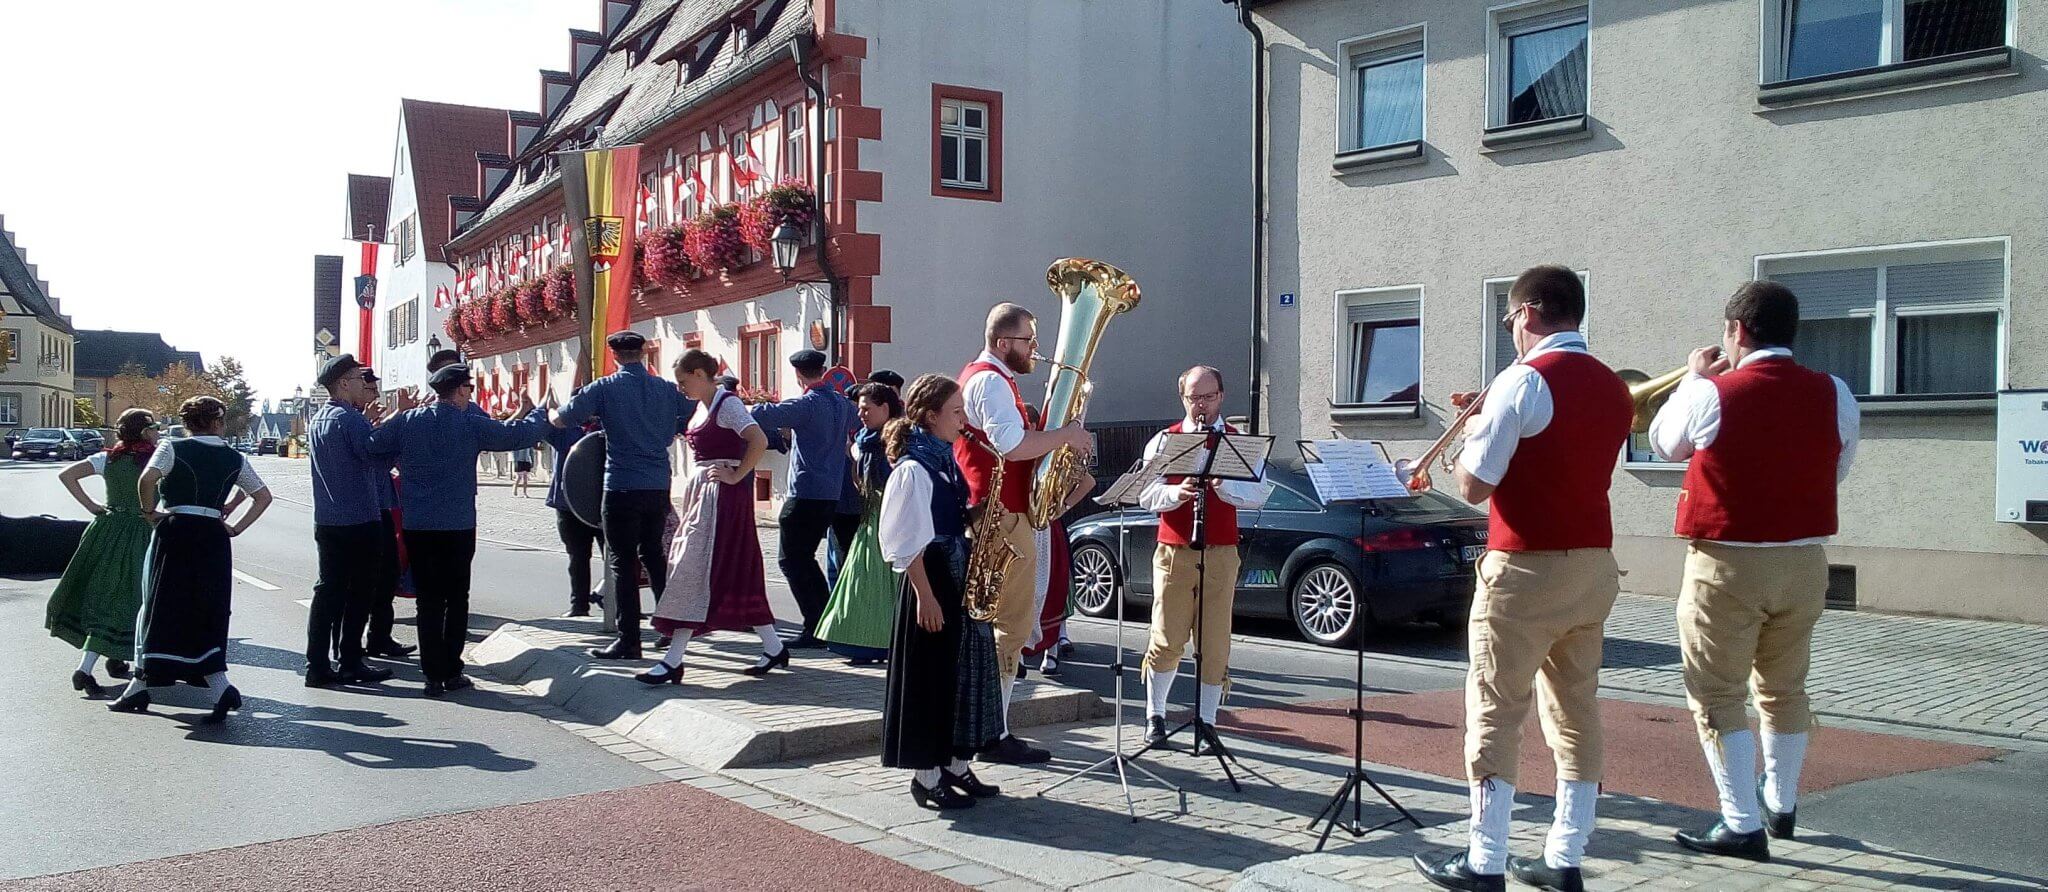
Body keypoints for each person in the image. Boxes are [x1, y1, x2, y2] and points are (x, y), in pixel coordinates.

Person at [1412, 266, 1632, 892]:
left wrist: (1478, 430)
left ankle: (1484, 860)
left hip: (1525, 567)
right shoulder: (1615, 387)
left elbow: (1475, 486)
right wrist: (1494, 419)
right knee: (1576, 710)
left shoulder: (1522, 380)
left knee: (1495, 709)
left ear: (1530, 312)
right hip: (1592, 564)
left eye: (1509, 318)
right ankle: (1565, 856)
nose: (1510, 330)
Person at [1650, 282, 1860, 862]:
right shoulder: (1835, 391)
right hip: (1803, 561)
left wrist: (1694, 379)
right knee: (1784, 688)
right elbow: (1835, 468)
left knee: (1717, 693)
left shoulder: (1713, 392)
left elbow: (1663, 444)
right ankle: (1782, 804)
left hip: (1726, 562)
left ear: (1738, 331)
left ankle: (1741, 823)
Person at [957, 303, 1093, 765]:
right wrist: (1066, 435)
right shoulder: (991, 381)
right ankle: (992, 731)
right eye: (1028, 341)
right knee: (1007, 628)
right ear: (1002, 343)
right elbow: (1012, 446)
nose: (1036, 349)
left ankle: (991, 727)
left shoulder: (992, 378)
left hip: (1001, 513)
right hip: (1001, 517)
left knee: (1003, 628)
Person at [368, 364, 548, 697]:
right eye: (470, 389)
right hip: (457, 525)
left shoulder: (410, 421)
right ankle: (451, 670)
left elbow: (372, 445)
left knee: (428, 601)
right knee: (456, 598)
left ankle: (432, 674)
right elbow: (516, 435)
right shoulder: (469, 423)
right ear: (462, 391)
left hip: (418, 525)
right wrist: (539, 411)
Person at [107, 397, 274, 722]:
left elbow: (147, 479)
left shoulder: (172, 448)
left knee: (158, 605)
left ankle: (144, 683)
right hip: (212, 536)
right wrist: (235, 528)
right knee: (206, 608)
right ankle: (213, 684)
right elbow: (263, 496)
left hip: (176, 530)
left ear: (188, 422)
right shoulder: (234, 457)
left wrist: (149, 512)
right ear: (217, 422)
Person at [879, 374, 1003, 809]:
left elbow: (946, 517)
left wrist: (981, 512)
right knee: (929, 679)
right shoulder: (914, 468)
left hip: (952, 571)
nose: (963, 420)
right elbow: (901, 540)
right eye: (956, 412)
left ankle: (954, 763)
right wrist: (925, 596)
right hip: (927, 577)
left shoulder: (944, 458)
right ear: (930, 417)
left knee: (955, 675)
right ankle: (925, 777)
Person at [1137, 366, 1270, 747]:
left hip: (1222, 551)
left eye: (1208, 397)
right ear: (1183, 399)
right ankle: (1155, 715)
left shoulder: (1238, 440)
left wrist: (1223, 486)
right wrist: (1176, 494)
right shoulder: (1166, 440)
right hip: (1175, 550)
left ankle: (1208, 721)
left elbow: (1258, 496)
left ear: (1222, 397)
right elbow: (1146, 495)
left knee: (1215, 641)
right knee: (1166, 635)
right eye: (1194, 398)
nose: (1202, 405)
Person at [551, 331, 696, 660]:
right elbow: (690, 416)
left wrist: (548, 414)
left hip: (621, 484)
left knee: (623, 562)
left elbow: (564, 418)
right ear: (644, 353)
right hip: (658, 484)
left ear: (615, 356)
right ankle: (668, 628)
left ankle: (629, 639)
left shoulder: (605, 387)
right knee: (655, 557)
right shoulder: (665, 388)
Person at [642, 349, 785, 681]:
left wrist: (737, 475)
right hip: (704, 496)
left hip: (722, 498)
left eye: (682, 382)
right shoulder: (702, 408)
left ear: (699, 374)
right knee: (727, 572)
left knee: (692, 568)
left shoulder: (728, 404)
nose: (680, 388)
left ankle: (674, 659)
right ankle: (775, 646)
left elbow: (758, 439)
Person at [749, 349, 861, 648]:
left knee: (791, 559)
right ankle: (823, 621)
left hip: (806, 491)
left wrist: (739, 402)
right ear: (822, 371)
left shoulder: (807, 404)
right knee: (805, 558)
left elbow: (763, 416)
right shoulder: (841, 403)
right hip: (831, 492)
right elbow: (858, 422)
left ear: (799, 375)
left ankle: (816, 623)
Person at [47, 408, 156, 698]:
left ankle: (113, 658)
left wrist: (93, 506)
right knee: (132, 600)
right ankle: (92, 668)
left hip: (106, 532)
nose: (158, 433)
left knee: (107, 594)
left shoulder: (108, 458)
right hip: (142, 532)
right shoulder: (156, 461)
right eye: (154, 428)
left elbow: (67, 475)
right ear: (145, 432)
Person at [305, 354, 396, 687]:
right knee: (359, 594)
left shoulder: (319, 420)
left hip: (328, 518)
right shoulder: (350, 419)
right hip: (360, 518)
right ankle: (350, 660)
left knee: (328, 591)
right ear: (343, 383)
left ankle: (316, 663)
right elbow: (375, 459)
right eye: (359, 379)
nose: (364, 384)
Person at [817, 382, 904, 664]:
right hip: (870, 515)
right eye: (860, 409)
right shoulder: (865, 438)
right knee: (860, 580)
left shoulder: (899, 439)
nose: (862, 414)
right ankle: (860, 642)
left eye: (867, 409)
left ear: (885, 408)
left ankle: (886, 643)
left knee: (885, 582)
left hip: (890, 516)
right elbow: (858, 473)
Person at [542, 402, 604, 618]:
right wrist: (548, 405)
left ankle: (621, 605)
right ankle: (579, 605)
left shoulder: (608, 428)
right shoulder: (567, 429)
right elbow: (545, 422)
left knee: (616, 559)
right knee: (577, 558)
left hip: (605, 503)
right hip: (570, 504)